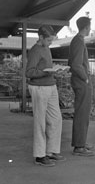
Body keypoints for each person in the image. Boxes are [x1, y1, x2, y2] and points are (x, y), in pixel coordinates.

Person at [26, 25, 65, 167]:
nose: (50, 43)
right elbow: (29, 72)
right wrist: (46, 72)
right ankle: (39, 156)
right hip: (39, 88)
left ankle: (51, 151)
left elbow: (44, 67)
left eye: (51, 40)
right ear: (40, 37)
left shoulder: (46, 47)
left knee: (56, 119)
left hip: (50, 85)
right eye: (48, 40)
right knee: (40, 122)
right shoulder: (35, 51)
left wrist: (54, 71)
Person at [68, 16, 94, 156]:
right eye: (90, 26)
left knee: (84, 112)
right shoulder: (78, 41)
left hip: (80, 80)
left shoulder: (78, 40)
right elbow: (76, 64)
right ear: (86, 27)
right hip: (81, 81)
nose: (90, 28)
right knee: (82, 113)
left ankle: (81, 142)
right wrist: (85, 78)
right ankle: (79, 146)